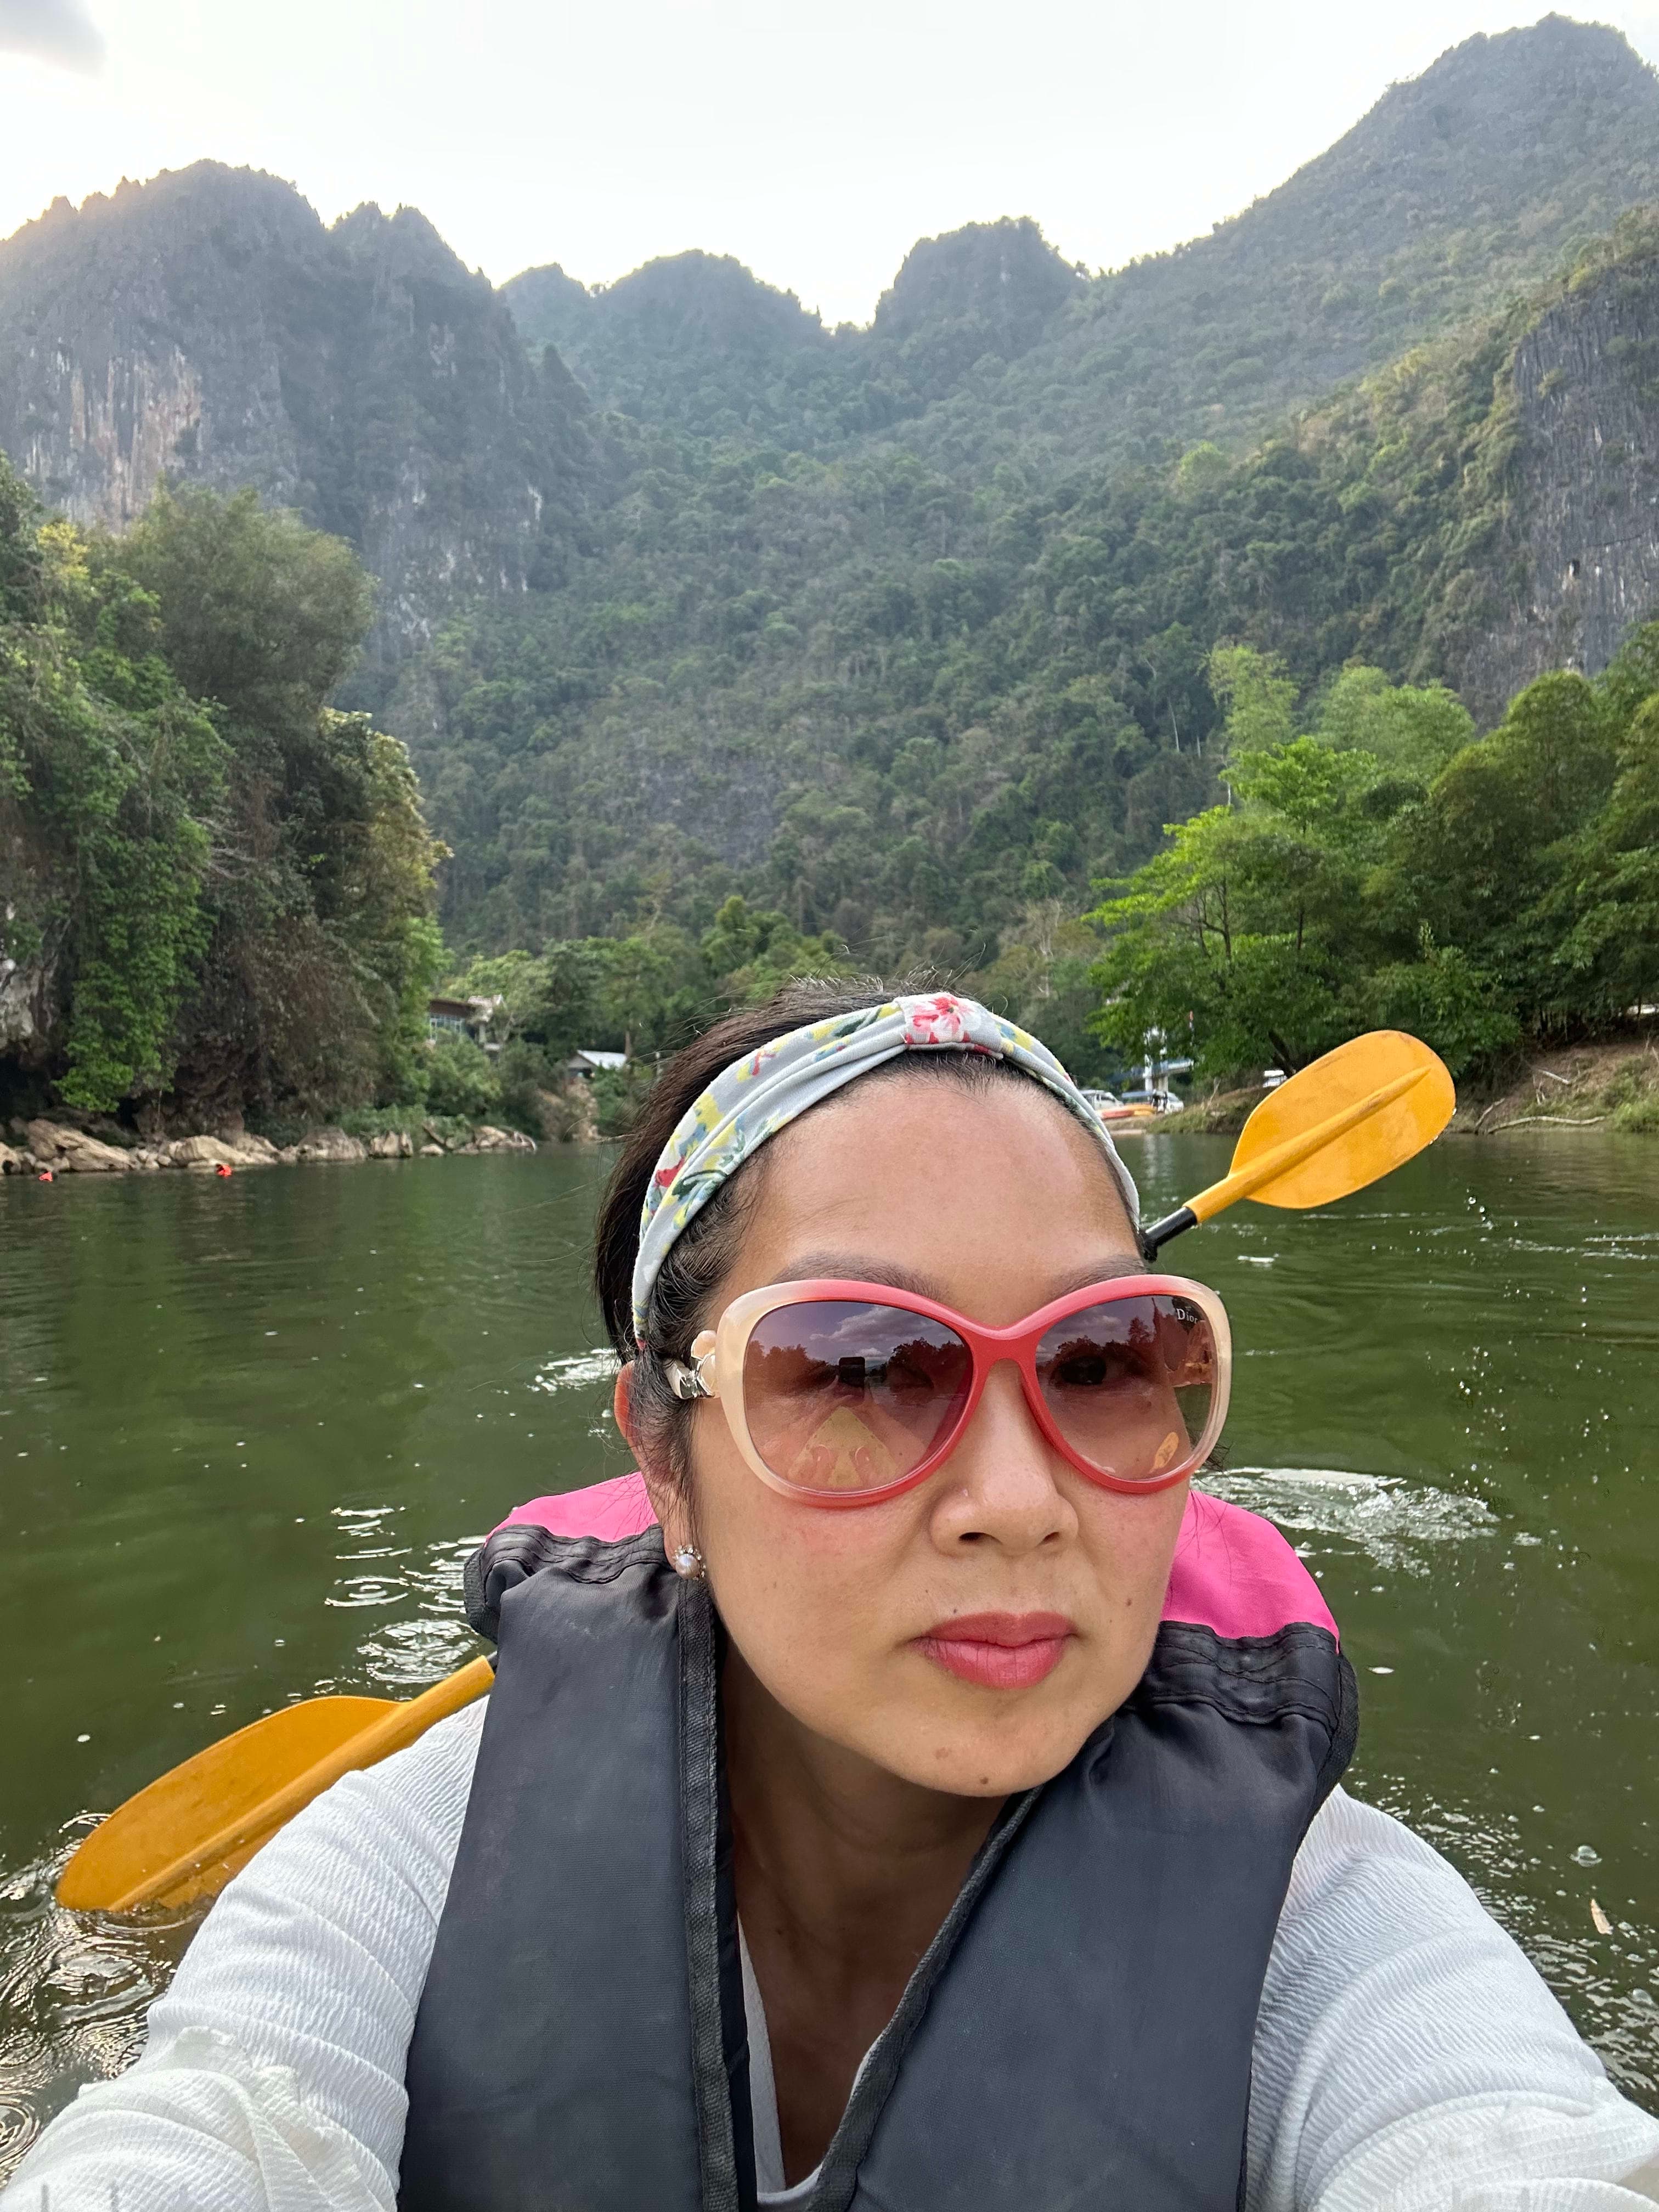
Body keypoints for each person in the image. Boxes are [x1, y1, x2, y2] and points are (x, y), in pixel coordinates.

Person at [6, 984, 1657, 2212]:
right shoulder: (406, 1862)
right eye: (858, 1368)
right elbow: (212, 2137)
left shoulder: (1329, 1933)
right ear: (665, 1457)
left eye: (1103, 1361)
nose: (1018, 1504)